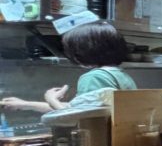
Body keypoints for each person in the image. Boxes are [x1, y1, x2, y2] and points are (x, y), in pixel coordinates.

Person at [0, 21, 137, 113]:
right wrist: (25, 104)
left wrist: (51, 99)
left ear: (82, 51)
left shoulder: (93, 77)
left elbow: (78, 118)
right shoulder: (119, 75)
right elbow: (78, 108)